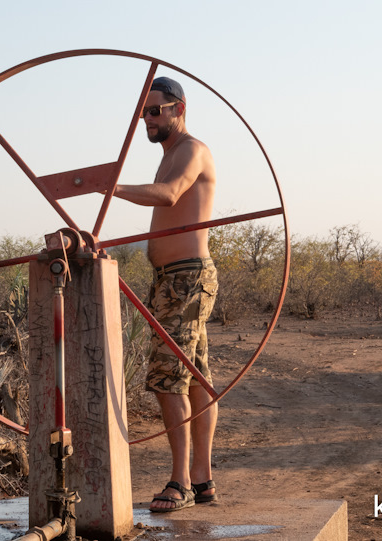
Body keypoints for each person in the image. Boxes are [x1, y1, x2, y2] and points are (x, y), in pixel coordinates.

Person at [111, 76, 219, 512]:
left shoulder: (191, 151)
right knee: (195, 378)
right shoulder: (169, 155)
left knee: (166, 377)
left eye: (155, 111)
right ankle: (203, 479)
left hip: (186, 277)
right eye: (143, 114)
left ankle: (181, 482)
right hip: (171, 279)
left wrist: (108, 186)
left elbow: (171, 195)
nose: (148, 120)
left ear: (180, 107)